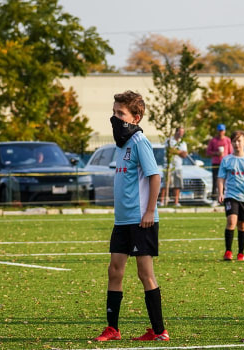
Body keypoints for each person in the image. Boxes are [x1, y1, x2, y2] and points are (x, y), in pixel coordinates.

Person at [93, 90, 169, 342]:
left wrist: (149, 211)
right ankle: (112, 329)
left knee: (144, 274)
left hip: (141, 220)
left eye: (120, 114)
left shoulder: (139, 142)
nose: (115, 118)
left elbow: (155, 176)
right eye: (114, 112)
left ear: (135, 118)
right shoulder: (121, 144)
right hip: (122, 221)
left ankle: (159, 331)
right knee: (114, 271)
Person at [217, 130, 244, 261]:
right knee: (231, 221)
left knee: (243, 225)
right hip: (231, 195)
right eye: (234, 141)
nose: (237, 143)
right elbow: (221, 178)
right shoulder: (226, 160)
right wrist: (221, 192)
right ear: (231, 143)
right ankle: (228, 251)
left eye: (239, 141)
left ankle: (241, 253)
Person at [159, 127, 187, 206]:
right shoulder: (169, 140)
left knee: (177, 185)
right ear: (177, 132)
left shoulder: (182, 142)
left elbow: (185, 154)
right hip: (168, 165)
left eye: (183, 132)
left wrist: (176, 151)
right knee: (165, 184)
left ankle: (176, 202)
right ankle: (162, 201)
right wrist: (179, 151)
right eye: (180, 132)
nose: (181, 133)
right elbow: (170, 151)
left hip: (178, 166)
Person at [207, 123, 233, 200]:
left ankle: (225, 198)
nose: (220, 132)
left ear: (224, 131)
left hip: (225, 163)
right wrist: (216, 153)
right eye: (219, 130)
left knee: (226, 181)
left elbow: (230, 152)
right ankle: (214, 198)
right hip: (216, 163)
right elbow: (208, 152)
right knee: (215, 181)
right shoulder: (213, 140)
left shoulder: (228, 140)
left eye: (222, 130)